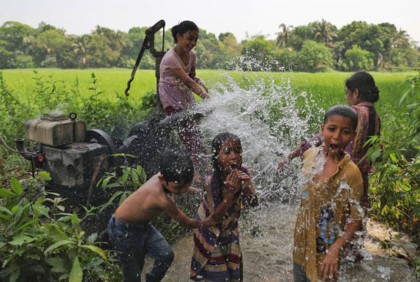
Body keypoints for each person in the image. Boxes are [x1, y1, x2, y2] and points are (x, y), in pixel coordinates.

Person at [107, 149, 217, 282]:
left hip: (143, 226)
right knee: (133, 273)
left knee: (165, 255)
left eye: (186, 185)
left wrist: (199, 192)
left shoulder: (168, 175)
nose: (182, 191)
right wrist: (208, 222)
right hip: (123, 229)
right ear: (162, 179)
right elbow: (187, 223)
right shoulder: (163, 200)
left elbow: (182, 184)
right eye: (178, 187)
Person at [280, 71, 381, 212]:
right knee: (357, 209)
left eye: (347, 93)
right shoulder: (375, 116)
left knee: (329, 208)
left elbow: (321, 137)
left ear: (356, 93)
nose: (346, 98)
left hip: (342, 170)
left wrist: (294, 154)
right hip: (361, 173)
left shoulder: (355, 113)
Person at [293, 105, 364, 282]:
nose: (337, 136)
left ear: (353, 137)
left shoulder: (351, 173)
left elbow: (356, 219)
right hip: (301, 245)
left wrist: (335, 249)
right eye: (332, 129)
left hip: (326, 251)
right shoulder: (309, 156)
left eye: (345, 132)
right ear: (322, 129)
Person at [190, 132, 259, 281]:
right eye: (227, 152)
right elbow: (214, 219)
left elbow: (254, 203)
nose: (235, 156)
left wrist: (247, 187)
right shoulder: (211, 181)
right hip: (209, 228)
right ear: (217, 157)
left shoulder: (244, 171)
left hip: (229, 228)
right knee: (217, 276)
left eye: (238, 150)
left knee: (234, 272)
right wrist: (229, 195)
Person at [158, 20, 209, 169]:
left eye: (195, 39)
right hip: (170, 96)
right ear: (179, 37)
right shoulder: (170, 58)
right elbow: (188, 82)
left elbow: (193, 77)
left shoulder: (192, 55)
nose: (192, 43)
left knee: (196, 131)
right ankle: (196, 171)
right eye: (189, 38)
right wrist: (208, 98)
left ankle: (205, 164)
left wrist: (205, 88)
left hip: (184, 95)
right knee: (187, 134)